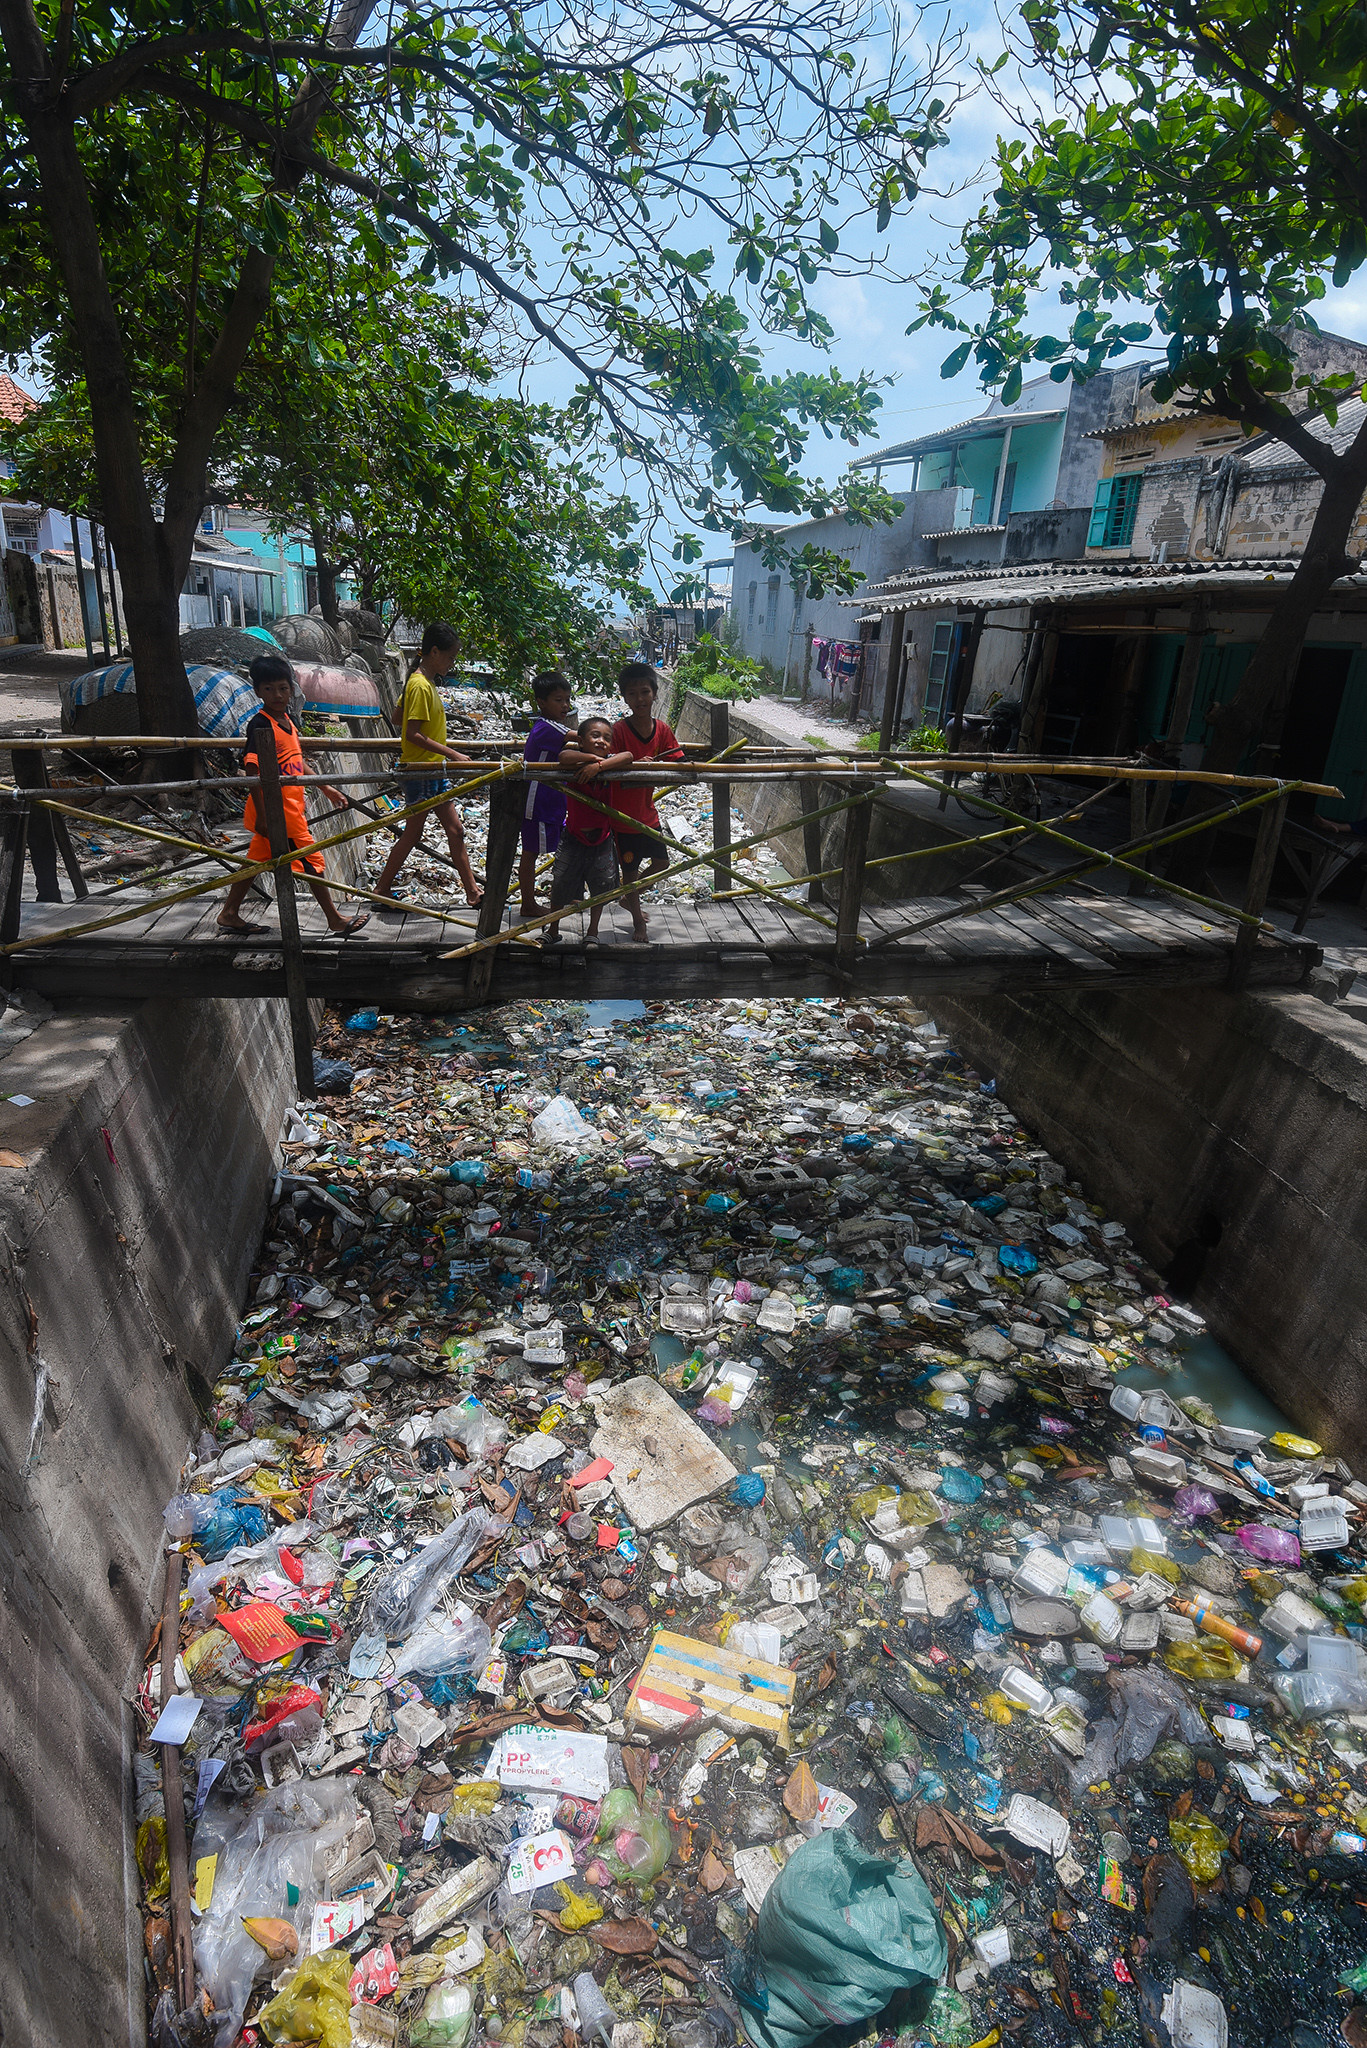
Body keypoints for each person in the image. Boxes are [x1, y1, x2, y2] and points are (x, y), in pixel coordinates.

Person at [217, 655, 369, 937]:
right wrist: (264, 815)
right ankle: (334, 919)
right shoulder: (260, 725)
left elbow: (296, 761)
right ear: (257, 691)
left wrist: (325, 786)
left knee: (254, 861)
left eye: (283, 688)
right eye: (269, 689)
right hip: (277, 812)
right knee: (313, 861)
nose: (277, 695)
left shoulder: (286, 719)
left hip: (290, 806)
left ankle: (229, 913)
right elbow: (253, 770)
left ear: (292, 688)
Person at [372, 623, 483, 909]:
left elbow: (398, 718)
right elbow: (411, 734)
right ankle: (381, 888)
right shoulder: (420, 685)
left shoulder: (420, 682)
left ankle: (472, 892)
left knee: (454, 830)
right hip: (422, 770)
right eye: (449, 657)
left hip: (429, 770)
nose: (452, 663)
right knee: (414, 833)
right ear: (434, 652)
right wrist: (452, 753)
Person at [609, 661, 685, 941]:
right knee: (629, 870)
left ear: (654, 693)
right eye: (632, 694)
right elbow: (608, 764)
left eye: (644, 692)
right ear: (625, 697)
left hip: (647, 813)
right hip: (623, 816)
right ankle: (637, 922)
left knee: (661, 863)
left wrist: (679, 766)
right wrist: (636, 764)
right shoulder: (618, 730)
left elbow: (676, 759)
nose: (639, 699)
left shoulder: (662, 729)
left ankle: (629, 898)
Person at [543, 716, 633, 945]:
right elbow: (563, 756)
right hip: (573, 836)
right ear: (581, 740)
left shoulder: (610, 762)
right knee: (561, 884)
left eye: (607, 738)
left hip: (602, 837)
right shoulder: (575, 760)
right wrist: (592, 761)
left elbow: (629, 756)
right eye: (595, 736)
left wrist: (599, 766)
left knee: (600, 887)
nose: (602, 741)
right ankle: (553, 929)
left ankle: (592, 931)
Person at [519, 670, 574, 917]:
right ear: (541, 702)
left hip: (553, 800)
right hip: (538, 800)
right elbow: (581, 739)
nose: (565, 705)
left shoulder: (551, 726)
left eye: (567, 700)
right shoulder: (546, 728)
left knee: (566, 846)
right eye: (559, 700)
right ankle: (528, 904)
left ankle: (567, 896)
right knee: (531, 851)